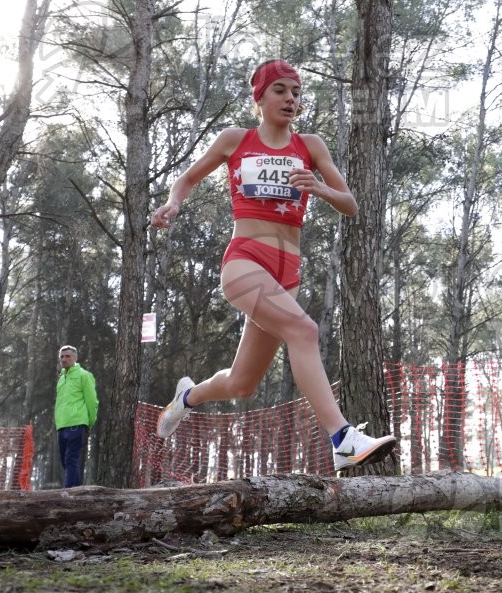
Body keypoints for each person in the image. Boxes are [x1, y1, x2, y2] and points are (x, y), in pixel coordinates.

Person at [150, 59, 396, 472]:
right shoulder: (236, 139)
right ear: (260, 97)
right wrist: (174, 203)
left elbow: (350, 204)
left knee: (242, 383)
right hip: (245, 260)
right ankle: (342, 438)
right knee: (304, 330)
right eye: (280, 90)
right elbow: (188, 178)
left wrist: (318, 187)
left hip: (288, 272)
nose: (290, 99)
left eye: (296, 93)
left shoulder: (311, 146)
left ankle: (187, 397)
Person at [55, 345, 98, 487]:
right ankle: (77, 490)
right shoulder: (61, 378)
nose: (64, 359)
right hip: (61, 425)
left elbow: (92, 401)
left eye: (67, 356)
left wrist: (90, 422)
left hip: (77, 423)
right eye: (62, 356)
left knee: (70, 459)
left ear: (75, 358)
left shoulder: (84, 375)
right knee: (65, 460)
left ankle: (69, 493)